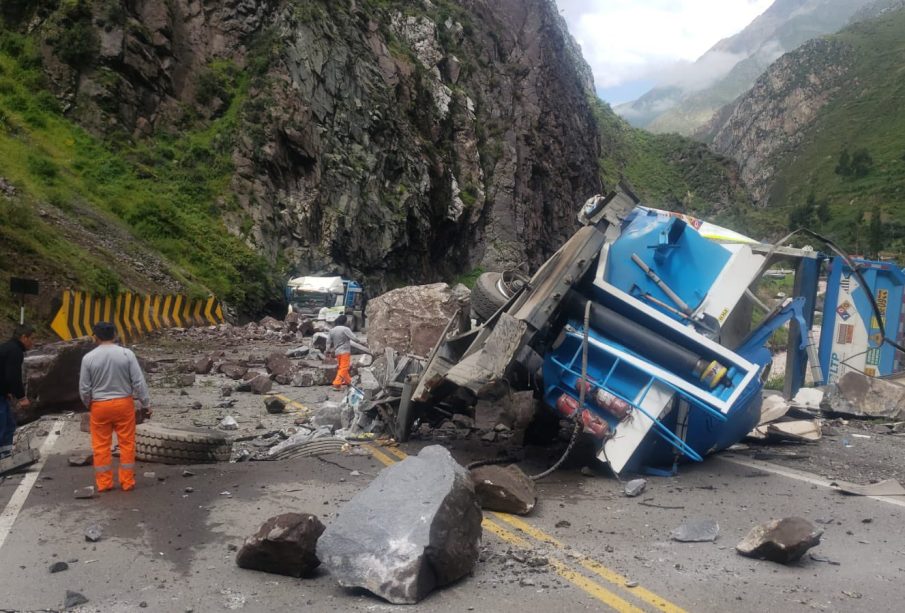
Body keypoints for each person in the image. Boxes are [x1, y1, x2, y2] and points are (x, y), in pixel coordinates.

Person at [79, 322, 150, 492]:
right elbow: (139, 382)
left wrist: (89, 403)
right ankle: (127, 482)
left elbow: (84, 388)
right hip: (123, 404)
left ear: (95, 337)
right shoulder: (126, 354)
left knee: (101, 445)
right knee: (127, 443)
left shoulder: (88, 358)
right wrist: (146, 403)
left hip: (99, 405)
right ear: (115, 335)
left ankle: (104, 483)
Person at [0, 324, 34, 459]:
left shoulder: (8, 348)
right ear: (24, 337)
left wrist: (6, 391)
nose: (33, 342)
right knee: (2, 424)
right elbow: (13, 376)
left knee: (9, 424)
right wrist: (21, 397)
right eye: (32, 338)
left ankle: (5, 454)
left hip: (1, 394)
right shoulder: (15, 351)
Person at [324, 314, 360, 390]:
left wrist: (327, 350)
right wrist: (361, 342)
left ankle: (349, 382)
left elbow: (328, 342)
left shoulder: (332, 330)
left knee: (342, 368)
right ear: (345, 321)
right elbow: (354, 339)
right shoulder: (345, 329)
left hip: (337, 352)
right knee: (344, 368)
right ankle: (336, 384)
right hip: (345, 351)